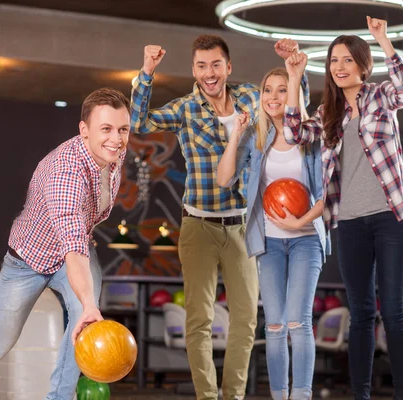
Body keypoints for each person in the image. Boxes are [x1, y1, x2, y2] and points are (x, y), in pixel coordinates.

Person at [130, 35, 307, 400]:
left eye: (215, 65)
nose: (208, 73)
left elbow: (292, 106)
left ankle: (234, 396)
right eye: (201, 66)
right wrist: (146, 71)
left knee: (245, 320)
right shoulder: (184, 109)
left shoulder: (249, 97)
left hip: (242, 225)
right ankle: (208, 397)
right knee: (200, 321)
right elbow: (138, 123)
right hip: (198, 226)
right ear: (194, 71)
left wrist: (296, 69)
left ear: (228, 67)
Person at [0, 88, 131, 400]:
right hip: (30, 259)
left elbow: (76, 240)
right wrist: (88, 303)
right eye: (106, 129)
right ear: (84, 131)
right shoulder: (65, 174)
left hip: (78, 247)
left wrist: (147, 73)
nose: (117, 138)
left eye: (123, 129)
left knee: (82, 327)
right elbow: (71, 247)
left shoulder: (113, 150)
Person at [284, 16, 403, 400]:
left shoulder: (380, 97)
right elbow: (294, 132)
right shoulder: (329, 115)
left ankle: (402, 395)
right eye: (333, 61)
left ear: (362, 64)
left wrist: (384, 40)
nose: (339, 67)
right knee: (360, 315)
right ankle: (360, 395)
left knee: (392, 311)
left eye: (346, 60)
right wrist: (295, 79)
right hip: (350, 223)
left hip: (392, 217)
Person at [216, 65, 328, 400]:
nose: (274, 96)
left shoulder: (310, 138)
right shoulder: (256, 137)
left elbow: (326, 195)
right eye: (268, 90)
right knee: (275, 325)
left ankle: (302, 395)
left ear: (293, 95)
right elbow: (224, 179)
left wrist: (299, 221)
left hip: (307, 239)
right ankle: (280, 396)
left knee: (298, 321)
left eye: (282, 90)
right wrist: (236, 133)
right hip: (269, 242)